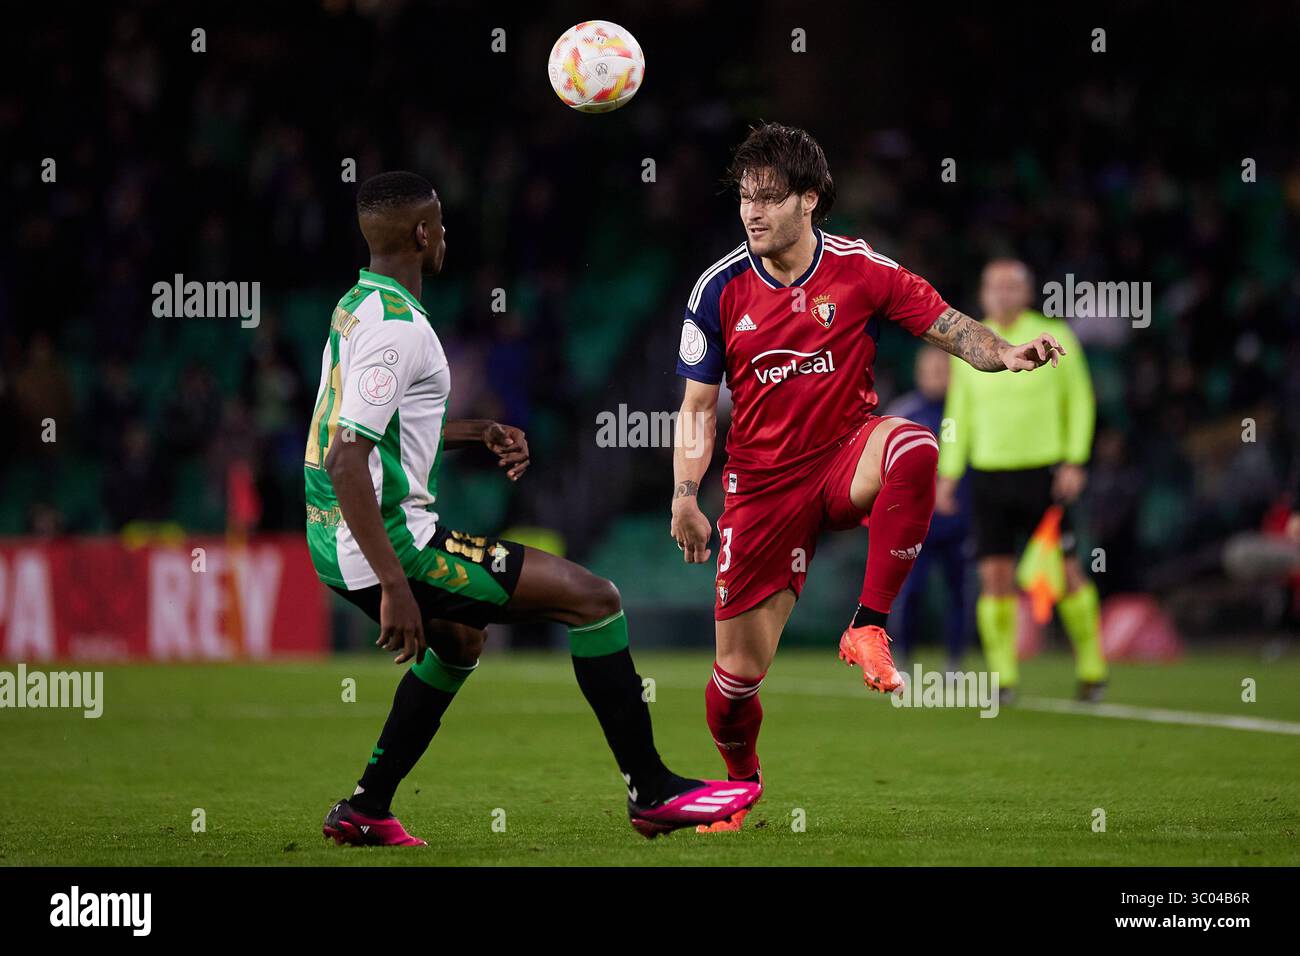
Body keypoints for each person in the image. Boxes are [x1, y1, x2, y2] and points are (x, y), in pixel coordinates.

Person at [306, 172, 758, 845]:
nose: (446, 233)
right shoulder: (399, 329)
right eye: (440, 222)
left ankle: (366, 808)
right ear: (423, 234)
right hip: (388, 545)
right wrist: (396, 585)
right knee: (594, 599)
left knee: (459, 641)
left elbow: (369, 431)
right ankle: (652, 790)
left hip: (335, 537)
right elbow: (347, 459)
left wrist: (475, 432)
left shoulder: (358, 306)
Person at [670, 125, 1065, 831]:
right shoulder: (718, 288)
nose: (752, 212)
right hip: (761, 489)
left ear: (809, 199)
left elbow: (947, 324)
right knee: (734, 683)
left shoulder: (859, 268)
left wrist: (1004, 353)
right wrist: (684, 496)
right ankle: (739, 786)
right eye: (745, 198)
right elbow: (698, 408)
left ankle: (869, 625)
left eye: (768, 197)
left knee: (914, 446)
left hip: (845, 455)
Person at [936, 259, 1105, 702]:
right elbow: (957, 414)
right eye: (995, 286)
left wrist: (1074, 460)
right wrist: (949, 473)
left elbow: (1080, 401)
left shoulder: (1054, 336)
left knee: (1066, 573)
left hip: (1043, 474)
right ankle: (1003, 677)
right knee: (995, 576)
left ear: (1027, 293)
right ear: (983, 293)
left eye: (1012, 286)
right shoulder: (974, 342)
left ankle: (1092, 668)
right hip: (988, 475)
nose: (1003, 294)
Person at [884, 346, 971, 669]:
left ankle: (954, 663)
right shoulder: (903, 413)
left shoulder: (967, 410)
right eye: (930, 371)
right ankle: (902, 660)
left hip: (959, 521)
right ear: (918, 374)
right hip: (914, 524)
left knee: (959, 594)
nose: (936, 377)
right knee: (909, 593)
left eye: (942, 371)